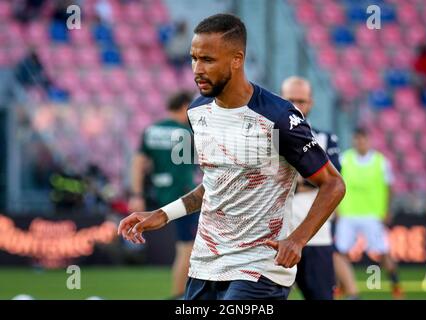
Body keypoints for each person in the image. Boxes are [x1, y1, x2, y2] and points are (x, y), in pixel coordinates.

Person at [118, 13, 346, 300]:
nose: (197, 69)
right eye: (193, 58)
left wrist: (298, 239)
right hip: (206, 264)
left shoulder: (278, 116)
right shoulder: (198, 112)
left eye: (208, 60)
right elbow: (216, 184)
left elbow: (333, 184)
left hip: (260, 268)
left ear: (237, 59)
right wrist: (163, 215)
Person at [128, 91, 199, 299]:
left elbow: (138, 163)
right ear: (185, 106)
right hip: (186, 197)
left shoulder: (152, 131)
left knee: (185, 247)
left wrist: (137, 193)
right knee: (188, 249)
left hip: (163, 196)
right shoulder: (187, 132)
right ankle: (179, 296)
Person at [281, 76, 341, 300]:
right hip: (275, 236)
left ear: (311, 103)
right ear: (280, 100)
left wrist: (293, 181)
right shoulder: (267, 138)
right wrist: (312, 179)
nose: (296, 106)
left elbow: (334, 181)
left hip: (315, 236)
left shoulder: (325, 139)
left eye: (302, 101)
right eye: (290, 100)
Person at [335, 128, 403, 299]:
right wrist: (337, 209)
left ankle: (395, 284)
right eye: (357, 139)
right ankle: (343, 285)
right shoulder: (345, 159)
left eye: (363, 139)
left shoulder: (381, 162)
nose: (360, 143)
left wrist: (387, 210)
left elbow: (389, 188)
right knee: (339, 252)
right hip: (348, 213)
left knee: (383, 251)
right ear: (353, 141)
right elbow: (335, 185)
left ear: (369, 140)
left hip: (372, 215)